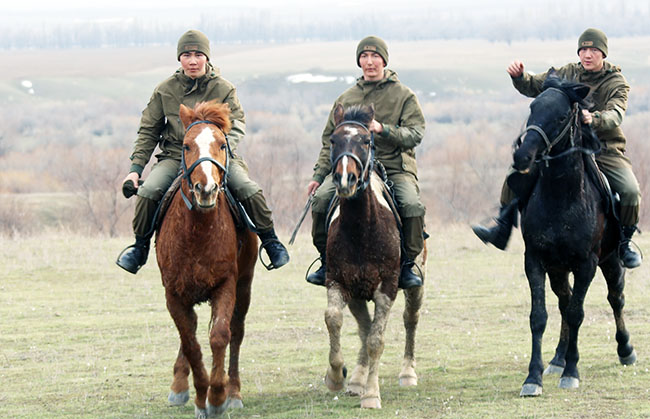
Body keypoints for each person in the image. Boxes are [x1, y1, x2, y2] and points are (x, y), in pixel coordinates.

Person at [116, 29, 289, 274]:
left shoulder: (224, 88)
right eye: (187, 55)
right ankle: (140, 247)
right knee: (149, 192)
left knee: (248, 189)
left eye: (198, 54)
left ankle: (271, 241)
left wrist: (220, 147)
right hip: (176, 154)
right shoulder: (165, 90)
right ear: (180, 59)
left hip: (216, 154)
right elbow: (148, 132)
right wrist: (135, 170)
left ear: (207, 58)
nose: (193, 60)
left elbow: (237, 123)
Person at [472, 28, 642, 269]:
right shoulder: (567, 72)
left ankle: (624, 243)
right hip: (564, 147)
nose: (587, 54)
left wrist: (593, 118)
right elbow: (535, 86)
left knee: (630, 191)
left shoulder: (616, 82)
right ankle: (502, 226)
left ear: (603, 53)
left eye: (593, 50)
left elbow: (616, 115)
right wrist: (520, 77)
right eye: (583, 49)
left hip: (602, 148)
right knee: (517, 171)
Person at [305, 35, 426, 288]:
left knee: (412, 205)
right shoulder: (346, 97)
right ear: (359, 61)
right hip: (350, 167)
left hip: (393, 166)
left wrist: (384, 129)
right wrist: (318, 176)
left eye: (375, 56)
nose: (369, 62)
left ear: (384, 60)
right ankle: (326, 261)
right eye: (364, 56)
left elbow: (415, 134)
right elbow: (330, 140)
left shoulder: (404, 95)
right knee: (320, 201)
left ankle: (408, 265)